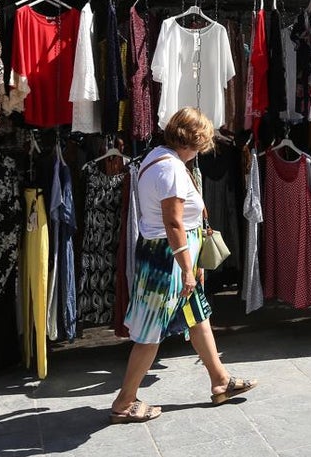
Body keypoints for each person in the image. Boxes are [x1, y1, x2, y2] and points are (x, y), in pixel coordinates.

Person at [110, 107, 257, 423]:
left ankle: (220, 380)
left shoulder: (158, 158)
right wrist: (187, 269)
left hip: (170, 256)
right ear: (194, 142)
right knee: (150, 333)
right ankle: (123, 403)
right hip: (167, 261)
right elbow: (173, 223)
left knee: (197, 315)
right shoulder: (172, 171)